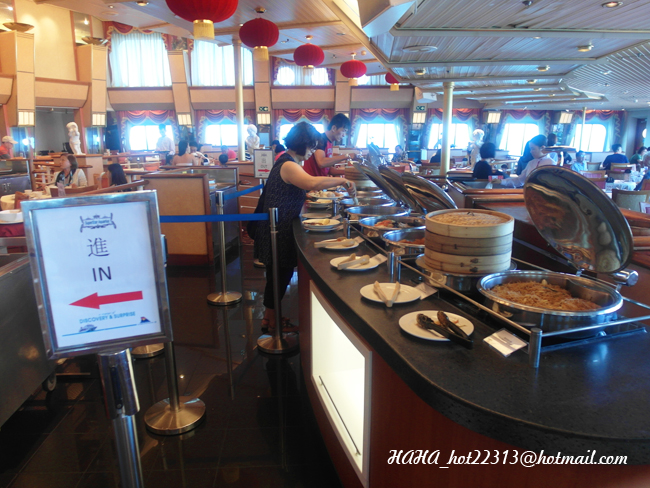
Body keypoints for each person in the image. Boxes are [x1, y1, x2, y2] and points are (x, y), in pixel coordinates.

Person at [254, 122, 357, 333]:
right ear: (303, 143)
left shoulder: (289, 161)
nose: (312, 151)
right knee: (278, 275)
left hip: (279, 225)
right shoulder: (288, 164)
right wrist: (342, 181)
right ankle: (272, 322)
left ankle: (269, 318)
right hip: (277, 228)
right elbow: (311, 183)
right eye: (311, 146)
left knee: (278, 275)